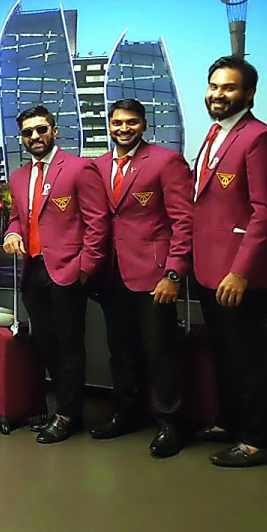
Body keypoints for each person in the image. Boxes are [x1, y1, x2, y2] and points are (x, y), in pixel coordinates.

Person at [191, 56, 267, 468]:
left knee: (248, 358)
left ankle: (257, 440)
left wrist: (240, 271)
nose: (217, 94)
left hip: (237, 273)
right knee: (225, 353)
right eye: (214, 86)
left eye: (228, 87)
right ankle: (229, 422)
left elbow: (266, 212)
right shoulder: (214, 134)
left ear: (248, 93)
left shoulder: (259, 138)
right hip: (208, 269)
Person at [91, 99, 193, 458]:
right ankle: (126, 412)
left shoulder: (166, 161)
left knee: (161, 351)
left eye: (131, 123)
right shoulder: (99, 166)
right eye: (117, 122)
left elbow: (183, 222)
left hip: (154, 275)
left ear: (144, 124)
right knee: (121, 351)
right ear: (109, 124)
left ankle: (170, 423)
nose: (123, 129)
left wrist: (173, 273)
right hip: (111, 274)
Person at [2, 106, 110, 444]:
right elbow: (18, 218)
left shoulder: (79, 168)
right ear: (21, 137)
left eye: (40, 129)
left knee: (68, 346)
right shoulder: (18, 176)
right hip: (33, 271)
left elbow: (98, 223)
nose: (35, 136)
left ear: (54, 131)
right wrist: (11, 234)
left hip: (67, 272)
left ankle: (67, 415)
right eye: (28, 132)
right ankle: (63, 409)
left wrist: (85, 268)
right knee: (46, 344)